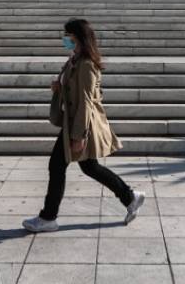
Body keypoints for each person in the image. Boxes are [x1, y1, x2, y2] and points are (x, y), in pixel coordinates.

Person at [23, 18, 146, 232]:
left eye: (68, 35)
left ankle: (48, 217)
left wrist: (79, 136)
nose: (65, 39)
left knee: (57, 165)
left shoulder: (86, 64)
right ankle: (130, 197)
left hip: (80, 126)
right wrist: (60, 86)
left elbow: (87, 102)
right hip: (74, 124)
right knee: (89, 166)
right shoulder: (76, 59)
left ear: (78, 37)